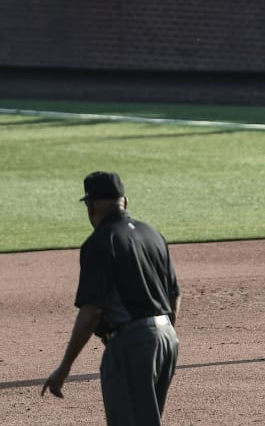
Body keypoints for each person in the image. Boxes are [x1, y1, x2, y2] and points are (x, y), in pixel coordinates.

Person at [42, 171, 181, 425]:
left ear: (91, 207)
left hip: (131, 345)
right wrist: (162, 335)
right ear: (124, 202)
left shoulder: (100, 242)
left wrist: (65, 367)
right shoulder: (152, 234)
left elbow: (92, 311)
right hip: (168, 341)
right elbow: (174, 295)